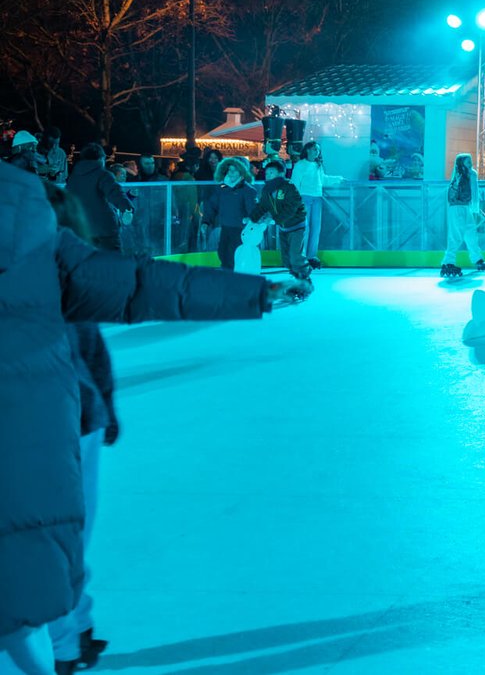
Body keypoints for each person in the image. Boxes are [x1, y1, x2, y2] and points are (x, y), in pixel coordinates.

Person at [0, 162, 295, 675]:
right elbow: (136, 285)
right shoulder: (28, 219)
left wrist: (253, 293)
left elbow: (131, 289)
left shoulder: (31, 224)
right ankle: (66, 644)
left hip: (48, 438)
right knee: (34, 583)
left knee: (35, 582)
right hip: (42, 441)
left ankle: (68, 643)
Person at [39, 188, 114, 673]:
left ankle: (68, 642)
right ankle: (75, 631)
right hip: (60, 426)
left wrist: (106, 406)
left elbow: (93, 351)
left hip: (68, 427)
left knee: (63, 540)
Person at [249, 160, 313, 296]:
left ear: (281, 173)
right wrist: (252, 218)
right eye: (266, 173)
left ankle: (305, 279)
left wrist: (275, 219)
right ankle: (297, 280)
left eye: (271, 172)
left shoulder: (289, 187)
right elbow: (262, 206)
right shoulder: (267, 190)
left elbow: (292, 207)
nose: (268, 175)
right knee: (286, 258)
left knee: (295, 255)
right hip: (283, 228)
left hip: (297, 226)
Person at [65, 144, 133, 254]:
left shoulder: (73, 177)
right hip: (104, 231)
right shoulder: (103, 175)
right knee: (115, 263)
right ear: (101, 158)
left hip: (82, 230)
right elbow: (115, 193)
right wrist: (127, 208)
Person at [200, 157, 259, 271]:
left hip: (240, 229)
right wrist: (206, 221)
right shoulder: (222, 188)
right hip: (225, 226)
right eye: (229, 170)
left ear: (242, 171)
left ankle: (235, 276)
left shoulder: (248, 190)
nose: (231, 173)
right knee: (222, 252)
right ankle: (227, 274)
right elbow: (212, 205)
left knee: (234, 254)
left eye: (235, 170)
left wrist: (251, 220)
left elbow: (252, 209)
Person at [289, 140, 338, 269]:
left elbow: (323, 179)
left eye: (318, 150)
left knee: (316, 228)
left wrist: (338, 179)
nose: (317, 152)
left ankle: (311, 256)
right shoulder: (300, 165)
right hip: (304, 198)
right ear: (308, 150)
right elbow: (294, 184)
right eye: (314, 149)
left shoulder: (318, 165)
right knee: (305, 228)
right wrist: (296, 202)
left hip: (317, 198)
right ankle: (302, 256)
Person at [440, 153, 485, 279]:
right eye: (468, 162)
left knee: (471, 234)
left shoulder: (471, 174)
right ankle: (448, 262)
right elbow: (454, 192)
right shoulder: (459, 175)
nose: (470, 164)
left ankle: (477, 258)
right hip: (456, 208)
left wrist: (474, 208)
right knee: (456, 235)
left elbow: (474, 191)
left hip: (466, 207)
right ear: (461, 163)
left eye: (471, 161)